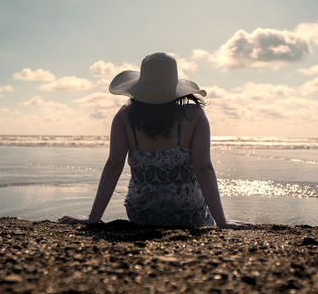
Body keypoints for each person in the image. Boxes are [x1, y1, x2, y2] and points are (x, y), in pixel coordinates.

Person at [59, 53, 252, 229]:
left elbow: (114, 165)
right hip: (188, 214)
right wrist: (222, 221)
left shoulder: (125, 117)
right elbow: (203, 168)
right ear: (174, 87)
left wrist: (93, 217)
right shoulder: (194, 115)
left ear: (141, 86)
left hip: (142, 213)